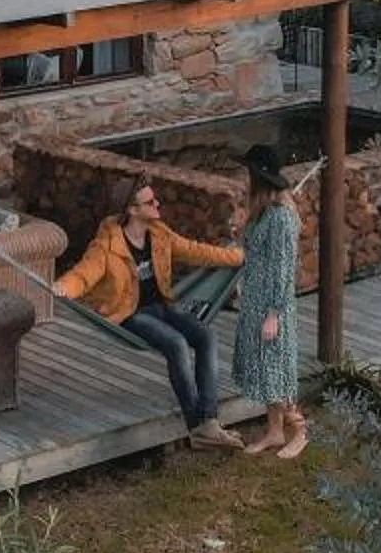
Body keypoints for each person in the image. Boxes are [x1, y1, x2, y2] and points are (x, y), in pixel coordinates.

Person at [53, 176, 247, 447]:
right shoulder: (106, 246)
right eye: (150, 201)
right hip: (130, 315)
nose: (157, 204)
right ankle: (197, 426)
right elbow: (83, 275)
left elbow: (195, 251)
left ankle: (210, 420)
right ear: (132, 210)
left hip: (163, 307)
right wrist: (63, 286)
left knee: (207, 337)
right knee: (177, 344)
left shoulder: (159, 233)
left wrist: (239, 257)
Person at [229, 144, 308, 458]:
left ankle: (300, 431)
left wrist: (274, 314)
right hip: (255, 301)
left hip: (273, 305)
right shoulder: (263, 212)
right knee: (263, 368)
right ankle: (275, 432)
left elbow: (283, 269)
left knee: (276, 369)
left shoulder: (281, 218)